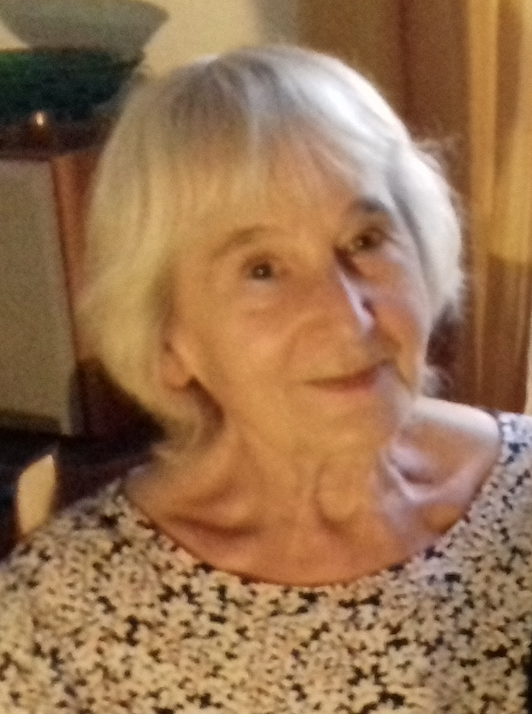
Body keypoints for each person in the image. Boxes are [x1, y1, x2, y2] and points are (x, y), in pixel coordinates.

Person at [1, 44, 532, 714]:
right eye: (263, 270)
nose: (347, 319)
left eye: (366, 240)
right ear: (169, 339)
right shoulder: (62, 620)